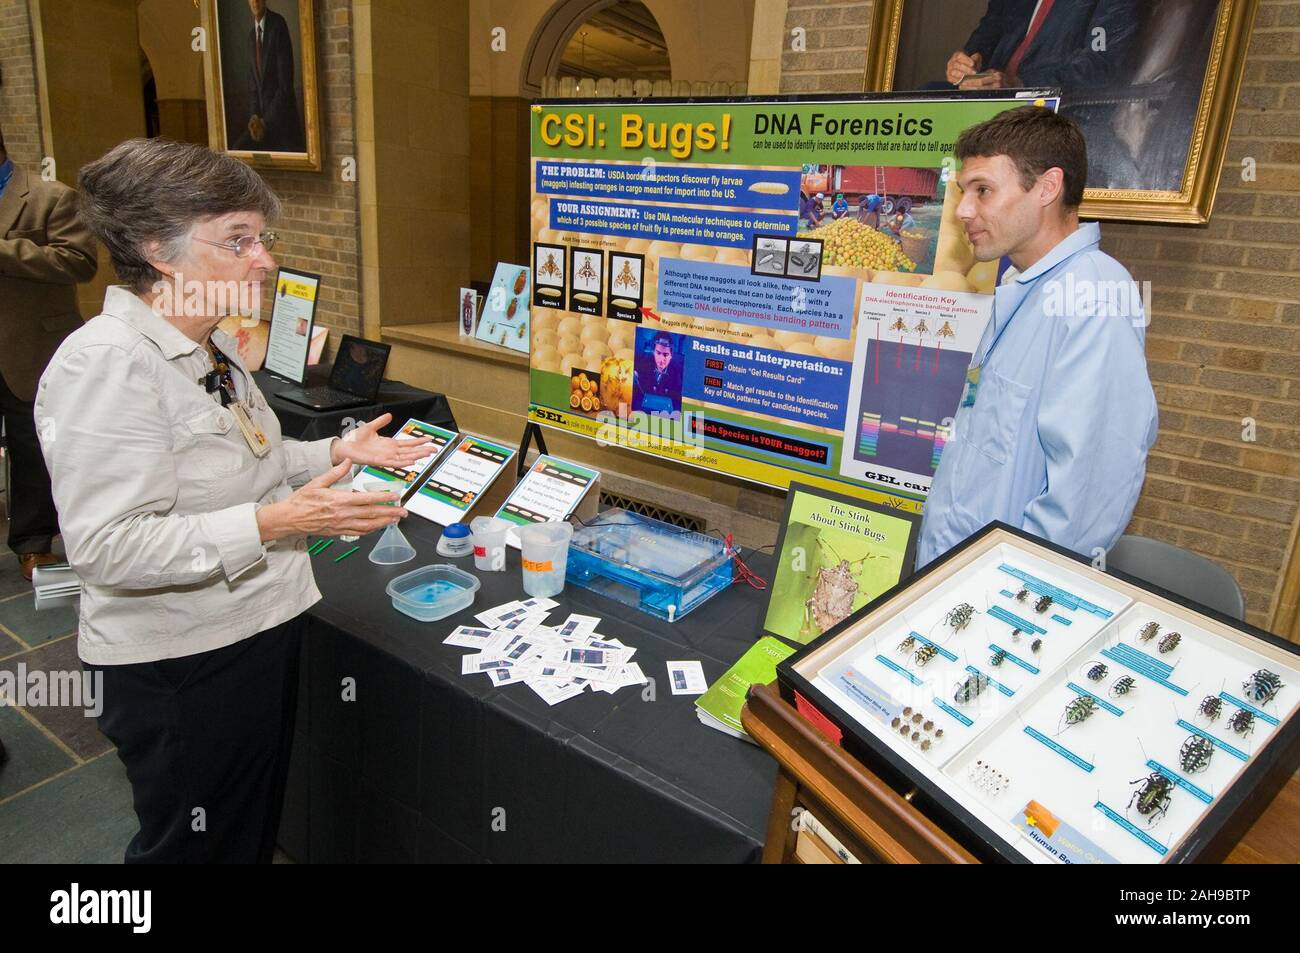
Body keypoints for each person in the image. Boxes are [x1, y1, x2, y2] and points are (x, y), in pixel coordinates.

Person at [36, 138, 432, 863]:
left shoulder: (208, 345)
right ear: (159, 248)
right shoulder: (106, 365)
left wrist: (333, 453)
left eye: (262, 238)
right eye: (238, 241)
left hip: (248, 629)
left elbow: (249, 458)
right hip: (181, 663)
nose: (266, 261)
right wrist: (281, 519)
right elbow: (108, 547)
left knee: (241, 835)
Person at [917, 106, 1157, 568]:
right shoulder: (1022, 284)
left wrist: (1010, 588)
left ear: (1047, 187)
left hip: (1001, 593)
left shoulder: (1092, 298)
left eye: (983, 191)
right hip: (954, 575)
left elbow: (1086, 498)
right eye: (963, 192)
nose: (964, 210)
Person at [0, 123, 99, 580]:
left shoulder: (51, 197)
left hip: (30, 346)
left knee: (32, 446)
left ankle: (34, 542)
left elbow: (78, 262)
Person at [944, 0, 1140, 91]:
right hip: (989, 100)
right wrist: (964, 61)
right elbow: (987, 33)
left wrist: (1019, 84)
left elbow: (1100, 64)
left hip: (1048, 112)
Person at [239, 0, 304, 152]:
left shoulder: (278, 25)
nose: (255, 2)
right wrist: (254, 116)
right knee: (238, 149)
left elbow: (285, 85)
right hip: (261, 127)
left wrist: (265, 122)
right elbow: (253, 86)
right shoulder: (250, 37)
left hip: (282, 120)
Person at [632, 331, 683, 417]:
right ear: (653, 352)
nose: (661, 359)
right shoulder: (642, 366)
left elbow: (678, 403)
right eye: (658, 353)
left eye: (666, 354)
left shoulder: (678, 374)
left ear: (671, 355)